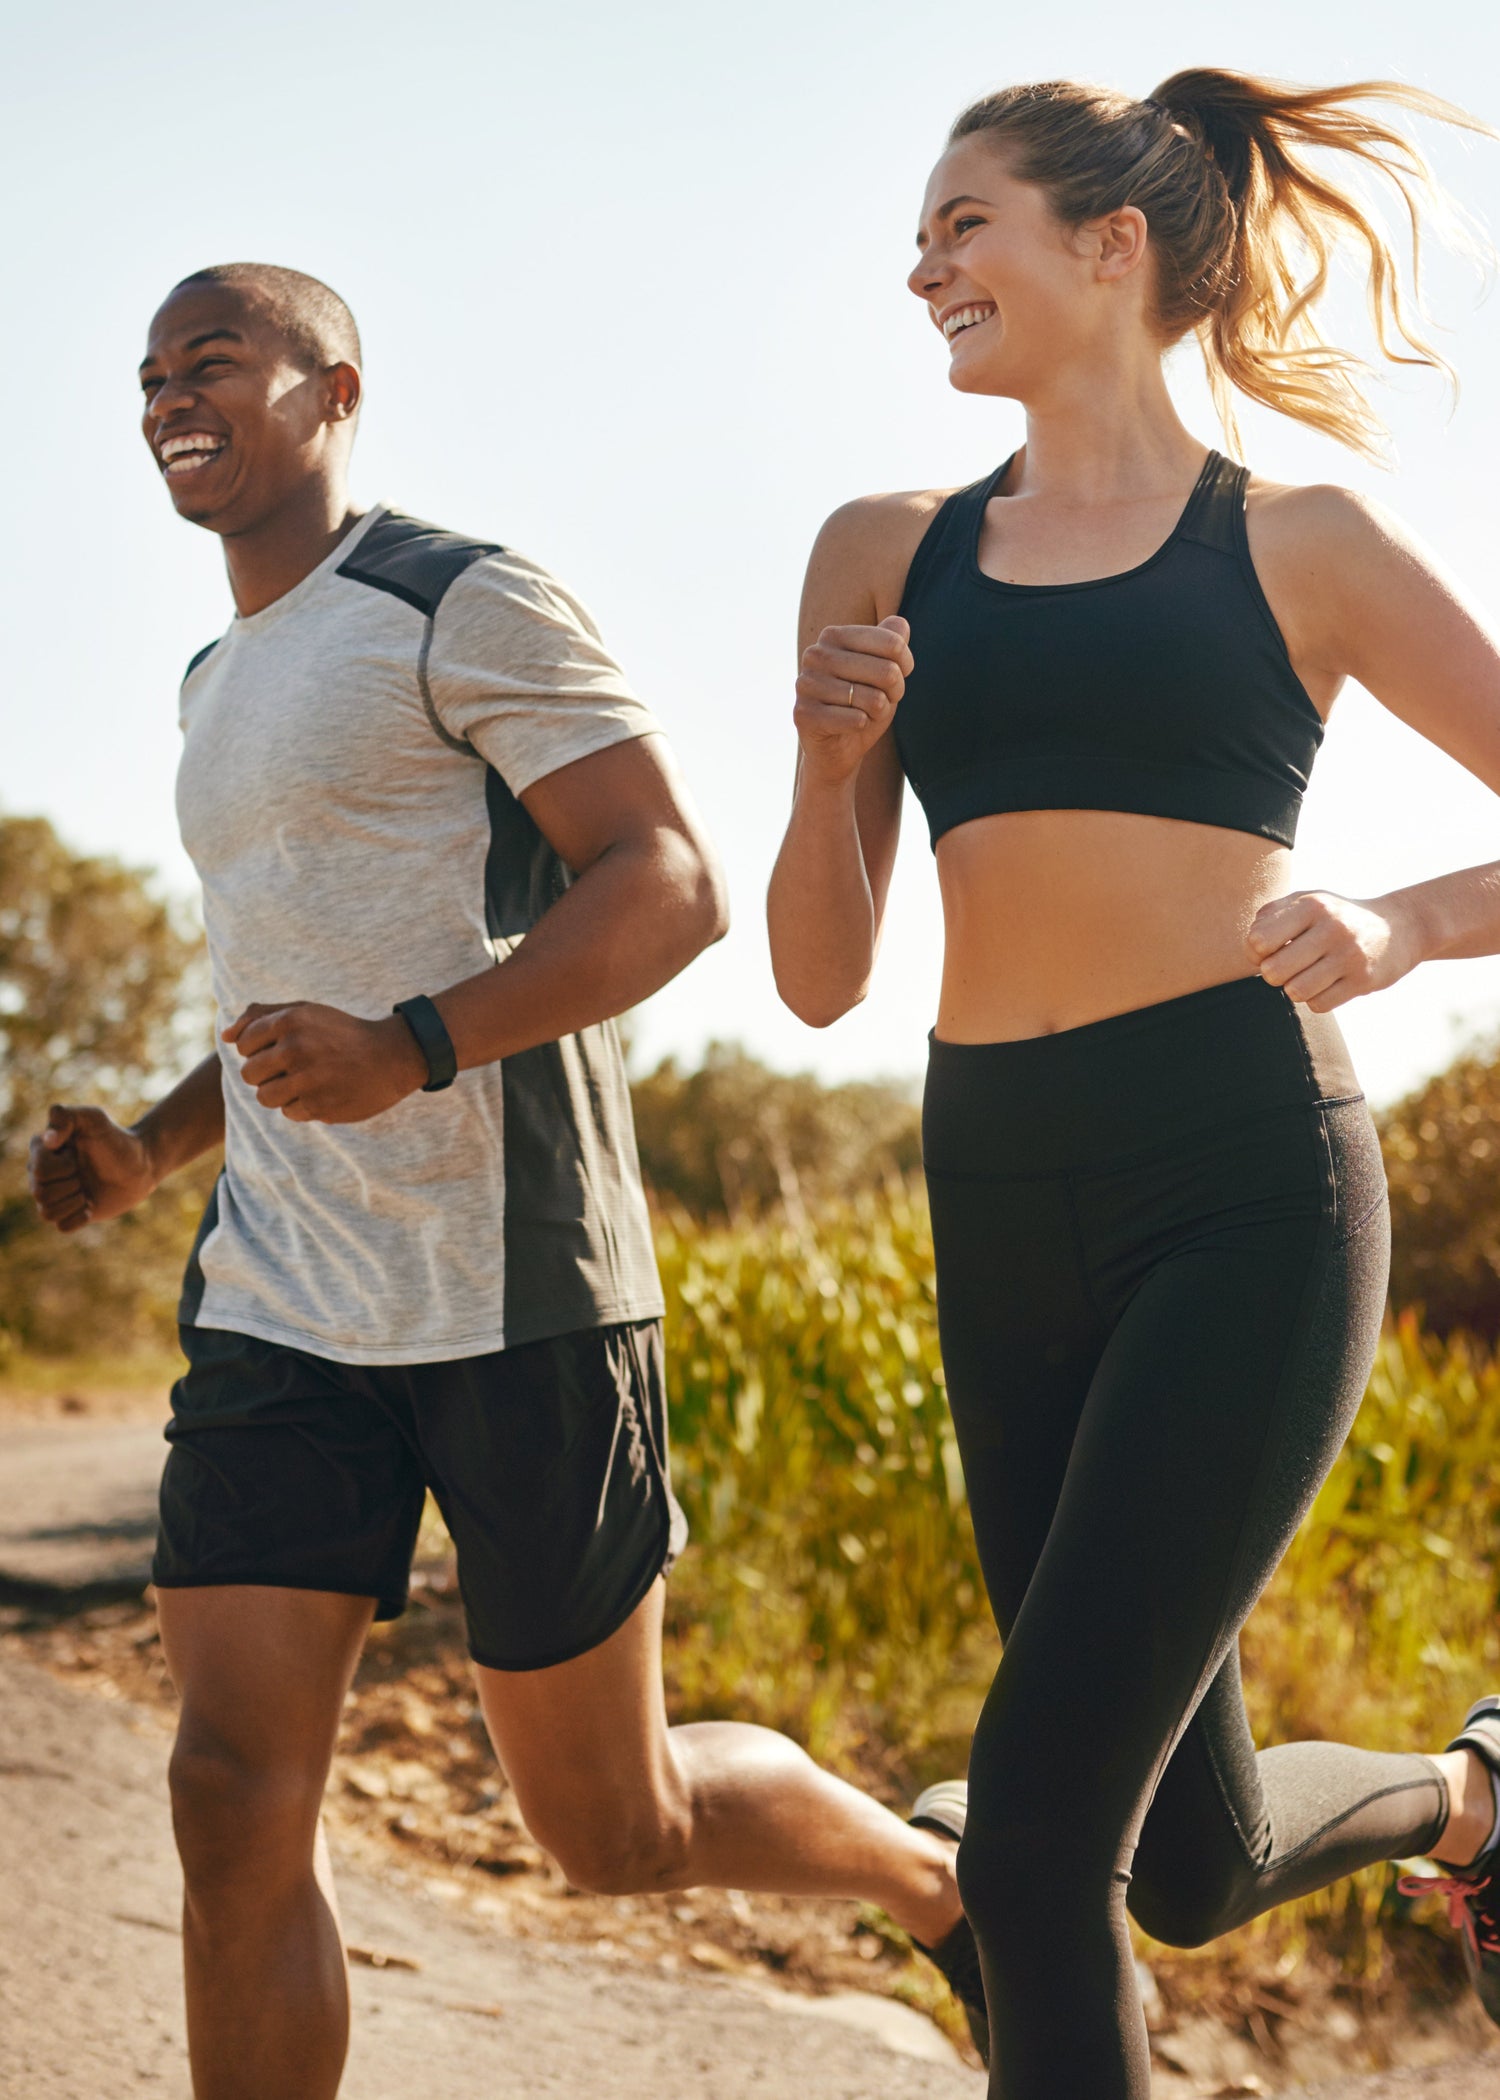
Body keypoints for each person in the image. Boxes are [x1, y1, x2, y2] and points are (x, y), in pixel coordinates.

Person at [26, 262, 982, 2100]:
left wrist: (417, 1044)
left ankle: (942, 1891)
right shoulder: (214, 676)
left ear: (335, 387)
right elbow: (267, 991)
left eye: (211, 361)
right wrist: (153, 1147)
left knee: (609, 1831)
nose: (168, 397)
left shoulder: (458, 596)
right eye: (147, 377)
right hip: (282, 1297)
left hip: (519, 1287)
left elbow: (668, 883)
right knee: (229, 1802)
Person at [767, 69, 1500, 2100]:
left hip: (1242, 1180)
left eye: (962, 222)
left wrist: (1411, 924)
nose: (922, 266)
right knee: (1186, 1859)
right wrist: (831, 770)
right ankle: (1480, 1803)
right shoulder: (881, 549)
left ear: (1114, 247)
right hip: (997, 1179)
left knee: (1027, 1841)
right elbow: (819, 980)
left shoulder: (1306, 542)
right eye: (918, 234)